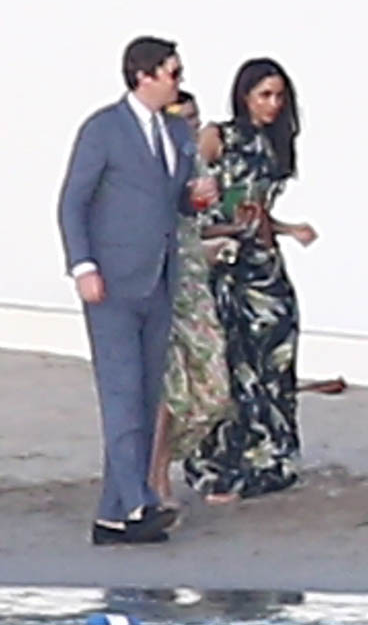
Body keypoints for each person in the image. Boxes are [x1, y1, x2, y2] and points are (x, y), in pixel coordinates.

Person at [57, 36, 217, 545]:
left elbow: (173, 202)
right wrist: (83, 265)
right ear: (143, 75)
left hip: (160, 278)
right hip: (112, 282)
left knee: (147, 396)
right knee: (122, 391)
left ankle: (112, 516)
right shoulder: (103, 128)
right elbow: (73, 201)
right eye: (172, 72)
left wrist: (196, 198)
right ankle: (138, 501)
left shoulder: (176, 130)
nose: (179, 80)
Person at [183, 58, 323, 502]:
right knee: (233, 363)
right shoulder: (219, 137)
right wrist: (213, 229)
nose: (273, 104)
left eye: (279, 96)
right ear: (245, 97)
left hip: (264, 266)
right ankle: (225, 463)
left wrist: (287, 229)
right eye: (265, 95)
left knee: (275, 361)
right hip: (225, 264)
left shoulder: (274, 146)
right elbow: (187, 192)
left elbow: (256, 211)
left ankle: (271, 459)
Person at [147, 90, 235, 506]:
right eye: (184, 119)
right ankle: (156, 474)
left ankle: (161, 463)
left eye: (196, 118)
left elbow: (199, 221)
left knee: (214, 386)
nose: (193, 126)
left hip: (194, 282)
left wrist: (219, 238)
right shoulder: (148, 162)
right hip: (158, 280)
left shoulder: (196, 165)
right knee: (170, 385)